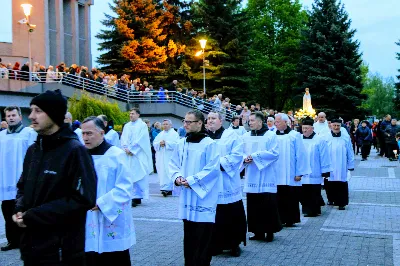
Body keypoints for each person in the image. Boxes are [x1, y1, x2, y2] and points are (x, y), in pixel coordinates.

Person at [13, 89, 97, 265]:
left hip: (61, 252)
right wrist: (19, 210)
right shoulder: (33, 150)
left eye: (38, 110)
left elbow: (83, 199)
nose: (31, 116)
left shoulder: (75, 151)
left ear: (54, 114)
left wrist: (33, 215)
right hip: (32, 248)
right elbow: (22, 187)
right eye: (31, 110)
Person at [169, 110, 221, 266]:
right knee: (189, 232)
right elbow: (173, 163)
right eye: (184, 121)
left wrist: (191, 180)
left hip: (203, 196)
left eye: (189, 122)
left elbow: (212, 169)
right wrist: (177, 177)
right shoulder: (182, 142)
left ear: (200, 123)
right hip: (187, 194)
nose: (185, 124)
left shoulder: (209, 144)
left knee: (203, 233)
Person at [81, 117, 135, 266]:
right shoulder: (80, 155)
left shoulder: (117, 155)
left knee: (113, 259)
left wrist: (101, 203)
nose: (85, 138)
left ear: (102, 133)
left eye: (89, 133)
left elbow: (125, 187)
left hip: (111, 218)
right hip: (87, 215)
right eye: (83, 133)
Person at [206, 112, 247, 257]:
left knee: (230, 214)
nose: (210, 121)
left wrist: (215, 165)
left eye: (213, 118)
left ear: (221, 120)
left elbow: (237, 156)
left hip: (227, 182)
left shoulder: (231, 135)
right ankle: (215, 244)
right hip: (210, 184)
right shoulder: (203, 137)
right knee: (213, 216)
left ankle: (233, 244)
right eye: (208, 118)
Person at [0, 106, 37, 251]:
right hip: (5, 179)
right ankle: (12, 241)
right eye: (8, 116)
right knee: (7, 211)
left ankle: (26, 241)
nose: (11, 118)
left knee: (23, 212)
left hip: (22, 179)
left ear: (20, 117)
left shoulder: (29, 133)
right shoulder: (1, 136)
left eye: (13, 115)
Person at [242, 112, 281, 242]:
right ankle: (257, 232)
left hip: (266, 175)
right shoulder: (246, 136)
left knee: (267, 204)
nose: (250, 123)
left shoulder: (270, 135)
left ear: (260, 122)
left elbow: (275, 154)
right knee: (254, 205)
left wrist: (256, 156)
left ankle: (269, 232)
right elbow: (240, 152)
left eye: (252, 120)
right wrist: (244, 159)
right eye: (249, 121)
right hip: (252, 174)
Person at [275, 113, 311, 227]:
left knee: (290, 197)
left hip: (291, 173)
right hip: (276, 173)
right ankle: (279, 219)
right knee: (278, 197)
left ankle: (290, 219)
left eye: (278, 122)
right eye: (275, 121)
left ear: (286, 122)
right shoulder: (271, 135)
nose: (276, 124)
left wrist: (299, 173)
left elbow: (301, 155)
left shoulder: (295, 135)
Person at [120, 108, 153, 207]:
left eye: (133, 114)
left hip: (138, 155)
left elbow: (142, 140)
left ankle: (138, 196)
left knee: (139, 175)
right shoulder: (127, 125)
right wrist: (125, 148)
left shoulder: (142, 125)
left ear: (138, 115)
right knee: (130, 175)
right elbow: (123, 138)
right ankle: (133, 196)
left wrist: (133, 150)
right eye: (130, 114)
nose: (131, 115)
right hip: (128, 155)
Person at [300, 117, 331, 217]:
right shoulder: (299, 139)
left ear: (312, 129)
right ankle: (306, 209)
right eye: (303, 128)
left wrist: (325, 170)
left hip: (315, 170)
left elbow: (324, 156)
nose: (304, 130)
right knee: (303, 192)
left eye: (307, 128)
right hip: (302, 172)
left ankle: (314, 210)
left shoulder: (319, 140)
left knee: (314, 191)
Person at [324, 118, 354, 210]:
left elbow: (350, 151)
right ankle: (331, 199)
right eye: (334, 125)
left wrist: (351, 164)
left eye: (338, 125)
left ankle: (341, 203)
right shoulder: (325, 137)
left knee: (341, 183)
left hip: (341, 164)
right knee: (329, 182)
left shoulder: (345, 137)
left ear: (341, 126)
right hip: (329, 164)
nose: (336, 127)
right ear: (331, 126)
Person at [153, 119, 179, 197]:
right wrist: (159, 143)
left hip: (170, 156)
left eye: (166, 124)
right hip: (161, 156)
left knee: (169, 171)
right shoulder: (160, 134)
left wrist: (166, 143)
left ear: (170, 125)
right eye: (163, 124)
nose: (165, 126)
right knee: (162, 171)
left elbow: (177, 144)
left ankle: (169, 188)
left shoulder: (174, 134)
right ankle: (163, 187)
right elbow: (155, 143)